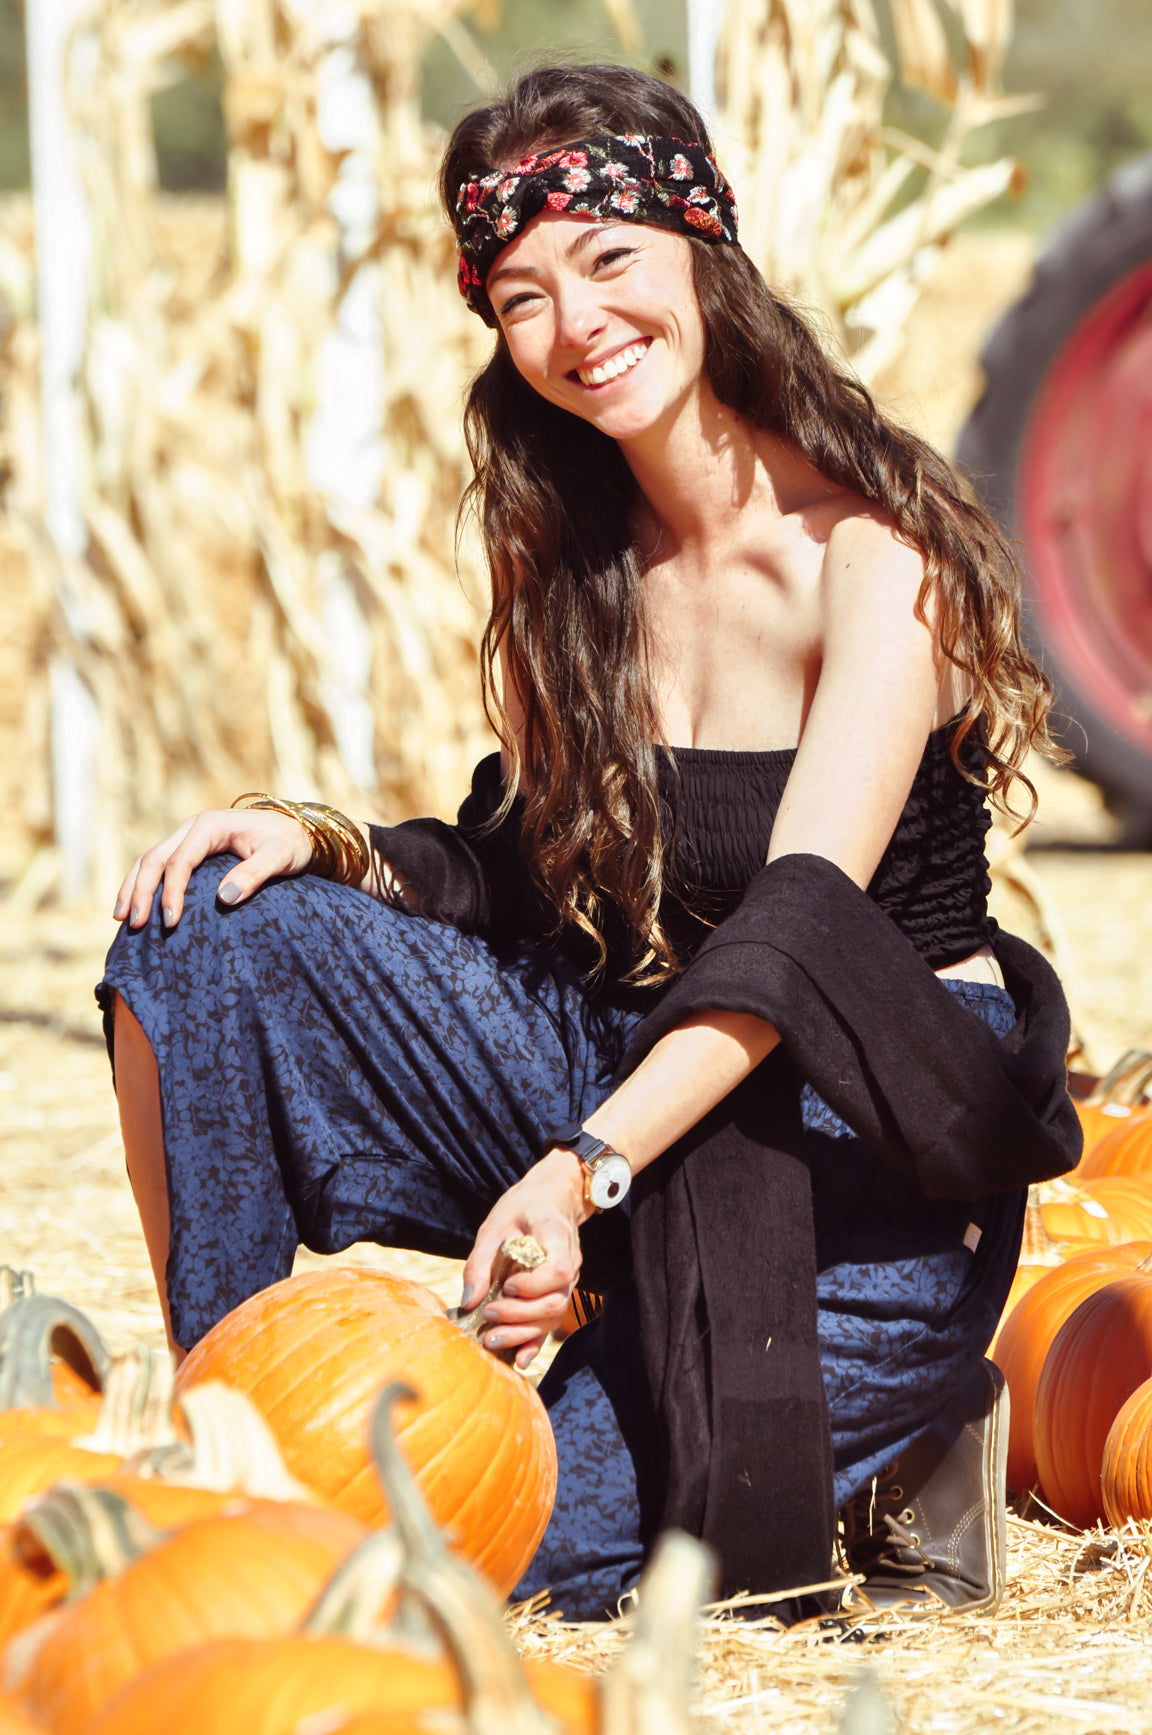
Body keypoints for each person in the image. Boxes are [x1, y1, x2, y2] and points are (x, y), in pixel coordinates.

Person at [98, 64, 1079, 1623]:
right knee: (198, 921)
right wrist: (320, 842)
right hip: (634, 1067)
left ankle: (914, 1410)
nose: (576, 325)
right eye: (522, 293)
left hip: (851, 1146)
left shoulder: (873, 564)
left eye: (611, 258)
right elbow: (521, 860)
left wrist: (582, 1174)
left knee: (482, 1563)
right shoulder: (581, 561)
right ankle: (231, 1436)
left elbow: (799, 936)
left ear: (702, 254)